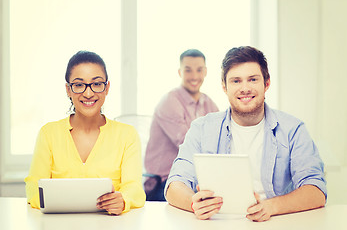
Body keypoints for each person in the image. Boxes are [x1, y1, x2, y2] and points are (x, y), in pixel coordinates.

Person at [165, 46, 327, 221]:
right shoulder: (202, 128)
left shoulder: (293, 129)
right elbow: (175, 184)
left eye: (252, 79)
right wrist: (193, 203)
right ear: (224, 87)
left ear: (266, 84)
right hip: (216, 222)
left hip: (274, 222)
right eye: (236, 81)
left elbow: (316, 190)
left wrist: (271, 206)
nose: (245, 88)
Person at [25, 51, 146, 214]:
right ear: (68, 89)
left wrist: (123, 200)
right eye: (79, 85)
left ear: (107, 88)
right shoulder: (49, 133)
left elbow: (134, 188)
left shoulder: (127, 135)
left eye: (96, 84)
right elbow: (33, 187)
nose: (88, 93)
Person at [144, 49, 219, 201]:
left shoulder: (208, 103)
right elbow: (189, 145)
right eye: (188, 70)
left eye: (199, 70)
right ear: (180, 72)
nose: (194, 76)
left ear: (205, 72)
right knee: (206, 205)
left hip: (194, 180)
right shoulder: (170, 102)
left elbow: (221, 136)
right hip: (163, 183)